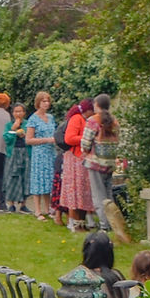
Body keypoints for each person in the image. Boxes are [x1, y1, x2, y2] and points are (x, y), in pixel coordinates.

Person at [83, 94, 128, 243]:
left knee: (98, 196)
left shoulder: (93, 120)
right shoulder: (114, 121)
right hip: (110, 163)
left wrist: (85, 152)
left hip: (96, 162)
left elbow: (86, 143)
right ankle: (114, 223)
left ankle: (104, 226)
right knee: (108, 195)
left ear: (97, 105)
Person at [60, 99, 96, 232]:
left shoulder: (84, 119)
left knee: (83, 189)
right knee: (74, 190)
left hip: (82, 158)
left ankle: (83, 220)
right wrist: (87, 137)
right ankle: (72, 221)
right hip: (75, 158)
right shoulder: (76, 119)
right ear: (89, 110)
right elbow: (69, 138)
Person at [23, 92, 59, 220]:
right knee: (38, 180)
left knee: (49, 180)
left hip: (51, 152)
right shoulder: (33, 119)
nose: (46, 103)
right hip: (39, 153)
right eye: (43, 101)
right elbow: (28, 140)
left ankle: (48, 208)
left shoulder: (51, 117)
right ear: (38, 103)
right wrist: (46, 140)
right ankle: (37, 210)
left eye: (48, 101)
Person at [1, 103, 31, 212]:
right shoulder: (9, 125)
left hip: (25, 152)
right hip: (13, 153)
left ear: (24, 113)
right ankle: (11, 204)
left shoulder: (28, 124)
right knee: (12, 177)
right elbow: (6, 139)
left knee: (25, 176)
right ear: (12, 113)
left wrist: (25, 135)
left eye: (20, 111)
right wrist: (13, 130)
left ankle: (23, 204)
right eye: (16, 111)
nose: (18, 114)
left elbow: (32, 137)